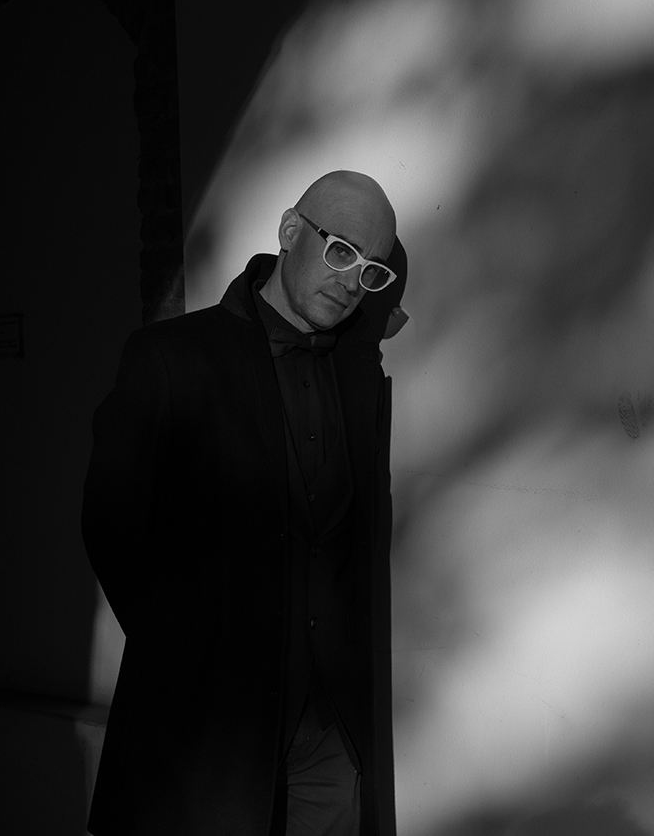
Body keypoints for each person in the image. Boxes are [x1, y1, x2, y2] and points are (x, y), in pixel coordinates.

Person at [83, 170, 409, 835]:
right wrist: (190, 650)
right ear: (290, 231)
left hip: (328, 730)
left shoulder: (358, 374)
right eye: (340, 251)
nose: (352, 280)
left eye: (371, 270)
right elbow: (111, 527)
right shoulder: (172, 358)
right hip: (210, 734)